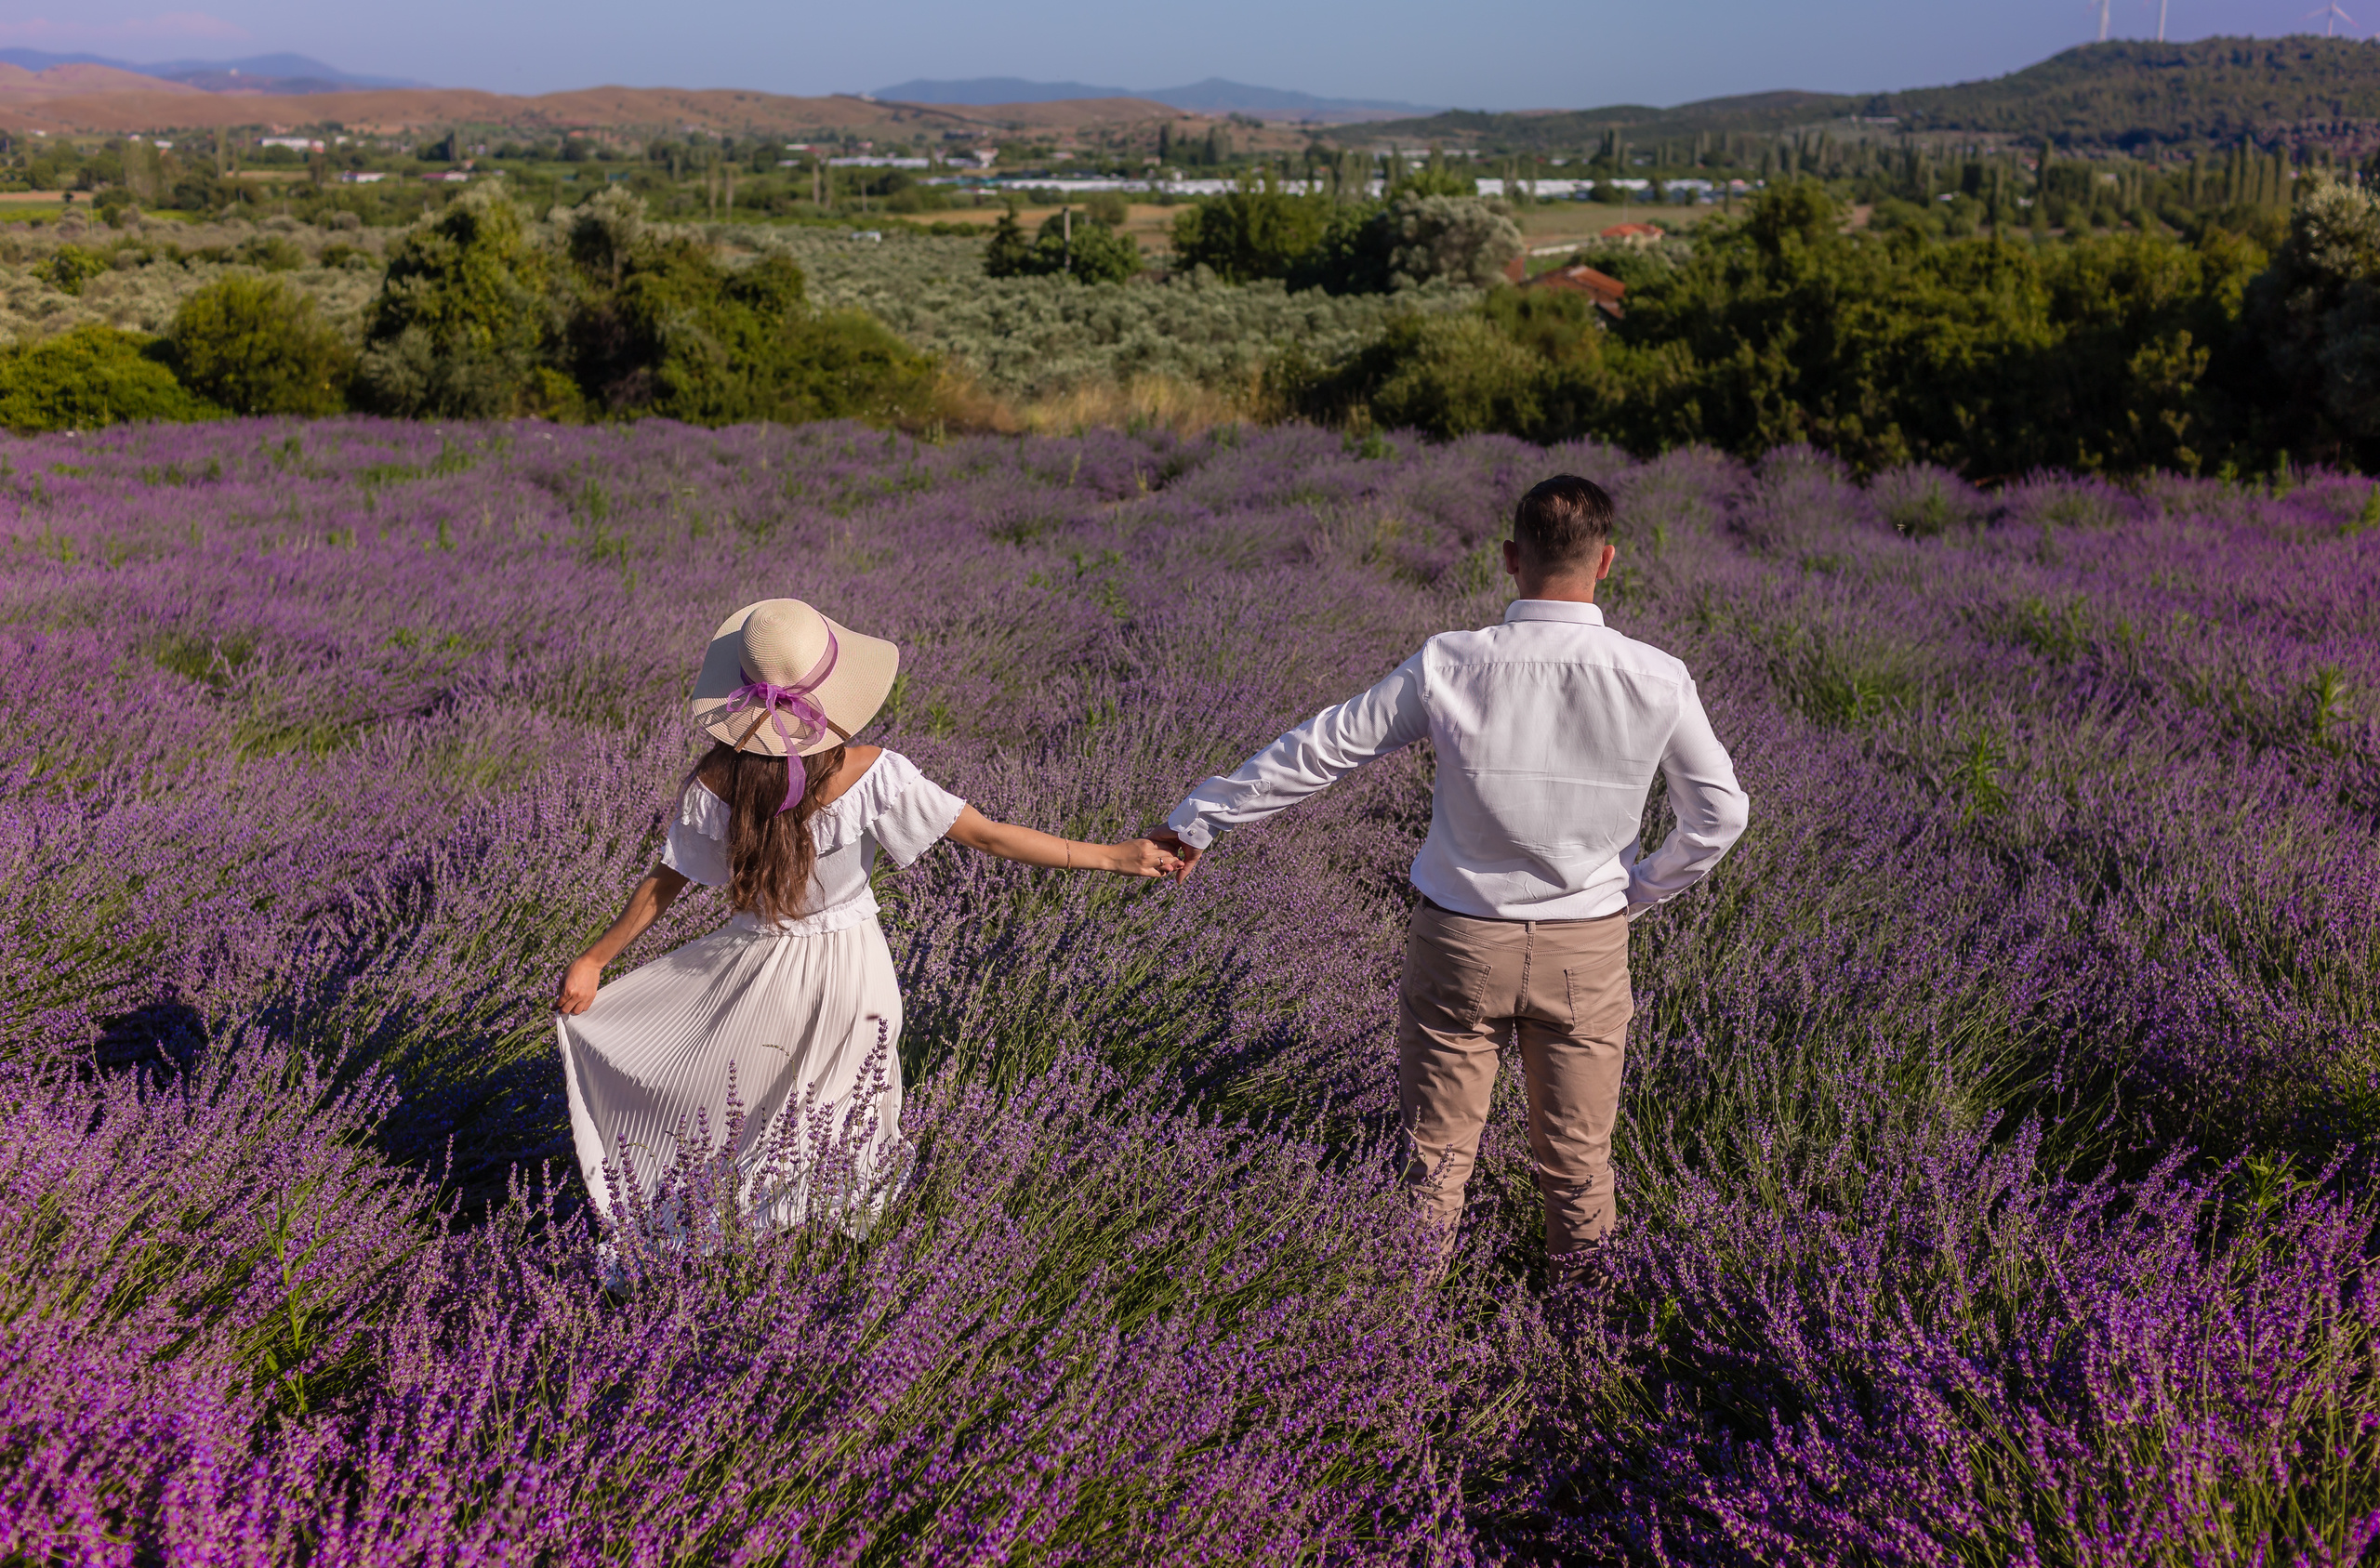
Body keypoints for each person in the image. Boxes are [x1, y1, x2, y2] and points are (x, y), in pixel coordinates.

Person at [1154, 476, 1749, 1273]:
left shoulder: (1454, 662)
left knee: (1430, 1169)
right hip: (1588, 949)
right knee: (1578, 1168)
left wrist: (1199, 819)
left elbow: (1322, 747)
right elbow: (1719, 817)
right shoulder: (1657, 676)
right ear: (1606, 561)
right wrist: (1631, 895)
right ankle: (1585, 1347)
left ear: (1511, 558)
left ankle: (1398, 1349)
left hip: (1460, 939)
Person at [555, 597, 1179, 1233]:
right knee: (846, 1123)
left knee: (741, 1118)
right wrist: (1116, 856)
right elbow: (990, 837)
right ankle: (825, 1257)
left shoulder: (717, 780)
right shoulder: (873, 773)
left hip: (756, 974)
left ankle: (724, 1243)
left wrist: (593, 960)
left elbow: (666, 882)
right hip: (856, 976)